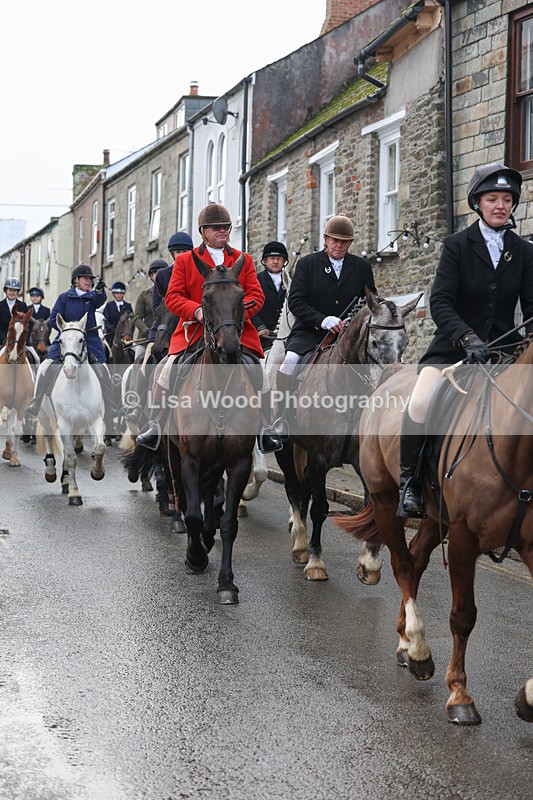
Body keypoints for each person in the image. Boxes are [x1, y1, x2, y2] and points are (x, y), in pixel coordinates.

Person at [397, 162, 533, 518]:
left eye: (507, 199)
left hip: (505, 351)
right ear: (478, 203)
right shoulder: (457, 245)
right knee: (421, 402)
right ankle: (409, 482)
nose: (500, 205)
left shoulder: (524, 251)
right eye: (492, 198)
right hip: (453, 352)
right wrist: (467, 337)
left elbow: (532, 310)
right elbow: (441, 301)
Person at [136, 203, 283, 453]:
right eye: (216, 228)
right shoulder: (185, 261)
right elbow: (172, 297)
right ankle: (155, 425)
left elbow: (257, 296)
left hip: (235, 333)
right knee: (165, 370)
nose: (222, 232)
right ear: (203, 231)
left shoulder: (243, 259)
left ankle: (265, 429)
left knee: (262, 376)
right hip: (194, 333)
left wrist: (233, 315)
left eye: (226, 227)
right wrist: (197, 311)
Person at [274, 215, 376, 426]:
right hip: (310, 332)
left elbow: (371, 301)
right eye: (334, 240)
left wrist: (352, 321)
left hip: (349, 334)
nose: (339, 245)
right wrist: (323, 320)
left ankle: (372, 417)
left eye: (344, 241)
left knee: (375, 362)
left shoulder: (361, 267)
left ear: (350, 243)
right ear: (326, 239)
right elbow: (296, 302)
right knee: (290, 361)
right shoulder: (307, 265)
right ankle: (282, 417)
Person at [24, 265, 117, 429]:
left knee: (103, 369)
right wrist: (68, 328)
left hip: (90, 340)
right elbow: (53, 319)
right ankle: (37, 402)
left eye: (91, 279)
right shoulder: (64, 297)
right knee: (46, 366)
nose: (89, 281)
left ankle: (110, 407)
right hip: (67, 338)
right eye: (85, 278)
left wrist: (101, 290)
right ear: (76, 280)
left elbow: (100, 299)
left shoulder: (92, 297)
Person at [252, 241, 288, 352]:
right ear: (265, 261)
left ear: (284, 261)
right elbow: (249, 307)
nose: (275, 262)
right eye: (272, 258)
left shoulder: (292, 281)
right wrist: (259, 327)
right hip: (262, 336)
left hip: (285, 336)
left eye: (279, 258)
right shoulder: (255, 281)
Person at [132, 260, 163, 343]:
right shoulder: (144, 295)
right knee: (139, 356)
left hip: (166, 336)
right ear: (151, 276)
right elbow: (137, 318)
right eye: (156, 273)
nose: (159, 276)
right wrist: (146, 331)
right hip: (147, 338)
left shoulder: (171, 294)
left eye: (161, 273)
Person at [103, 281, 133, 348]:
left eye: (121, 293)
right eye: (117, 293)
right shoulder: (109, 306)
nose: (119, 295)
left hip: (125, 336)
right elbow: (106, 321)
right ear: (113, 294)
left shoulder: (128, 306)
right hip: (112, 336)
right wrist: (114, 330)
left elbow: (131, 321)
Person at [0, 277, 30, 346]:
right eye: (10, 290)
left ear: (17, 292)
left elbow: (28, 324)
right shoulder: (0, 305)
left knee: (35, 356)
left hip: (19, 342)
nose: (12, 293)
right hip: (2, 341)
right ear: (6, 291)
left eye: (14, 290)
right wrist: (5, 339)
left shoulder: (23, 305)